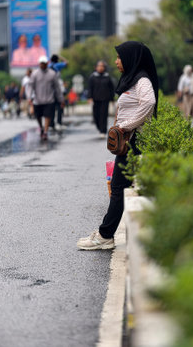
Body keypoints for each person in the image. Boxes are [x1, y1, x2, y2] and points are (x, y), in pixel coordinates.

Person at [77, 41, 159, 250]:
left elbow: (149, 103)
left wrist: (125, 126)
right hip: (131, 142)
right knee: (124, 188)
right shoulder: (133, 79)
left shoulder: (142, 80)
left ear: (130, 58)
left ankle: (105, 235)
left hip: (134, 143)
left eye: (119, 57)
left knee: (118, 188)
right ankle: (109, 233)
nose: (116, 62)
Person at [27, 56, 64, 140]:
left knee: (48, 115)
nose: (42, 65)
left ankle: (45, 132)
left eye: (44, 63)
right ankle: (41, 127)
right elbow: (30, 87)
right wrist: (29, 97)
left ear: (47, 63)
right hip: (37, 100)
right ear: (39, 64)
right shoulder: (35, 74)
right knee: (38, 116)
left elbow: (57, 88)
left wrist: (61, 99)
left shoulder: (52, 74)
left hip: (49, 100)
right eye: (41, 63)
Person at [88, 61, 115, 138]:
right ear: (96, 67)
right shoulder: (92, 77)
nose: (100, 67)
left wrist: (112, 99)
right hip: (95, 99)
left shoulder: (107, 77)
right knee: (96, 115)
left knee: (103, 115)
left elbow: (111, 89)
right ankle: (99, 127)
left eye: (102, 66)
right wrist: (89, 97)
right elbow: (90, 88)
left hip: (105, 99)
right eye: (99, 66)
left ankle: (103, 130)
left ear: (104, 68)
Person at [49, 54, 68, 131]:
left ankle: (51, 124)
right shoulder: (58, 65)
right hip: (58, 88)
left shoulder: (48, 66)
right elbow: (66, 62)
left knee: (51, 108)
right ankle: (59, 123)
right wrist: (61, 57)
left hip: (50, 90)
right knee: (60, 106)